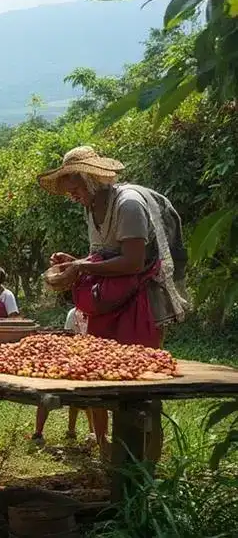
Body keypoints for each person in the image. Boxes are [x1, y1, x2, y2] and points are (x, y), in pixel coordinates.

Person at [39, 145, 190, 461]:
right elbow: (106, 255)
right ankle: (110, 453)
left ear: (93, 181)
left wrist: (82, 268)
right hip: (112, 301)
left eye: (77, 188)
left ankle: (145, 462)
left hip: (141, 302)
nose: (73, 195)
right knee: (102, 371)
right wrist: (75, 261)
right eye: (69, 191)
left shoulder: (129, 206)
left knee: (141, 382)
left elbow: (133, 262)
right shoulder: (92, 207)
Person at [31, 296, 91, 446]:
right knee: (46, 394)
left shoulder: (98, 314)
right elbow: (68, 338)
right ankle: (38, 432)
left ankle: (92, 433)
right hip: (70, 357)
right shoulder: (73, 313)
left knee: (89, 401)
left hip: (89, 359)